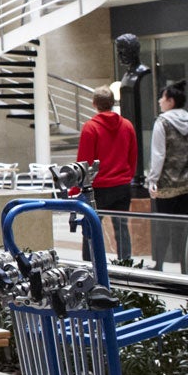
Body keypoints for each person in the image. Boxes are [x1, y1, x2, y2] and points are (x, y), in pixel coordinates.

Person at [149, 81, 188, 272]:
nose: (160, 101)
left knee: (164, 227)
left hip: (167, 185)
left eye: (163, 97)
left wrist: (152, 180)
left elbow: (158, 155)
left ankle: (159, 266)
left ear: (171, 100)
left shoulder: (162, 122)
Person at [76, 87, 138, 263]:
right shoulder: (127, 126)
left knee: (90, 227)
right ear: (113, 103)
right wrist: (127, 177)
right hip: (122, 185)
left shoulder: (91, 128)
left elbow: (84, 162)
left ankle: (91, 266)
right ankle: (126, 265)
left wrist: (78, 186)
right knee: (122, 227)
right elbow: (133, 156)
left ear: (94, 104)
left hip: (98, 188)